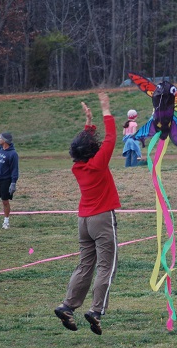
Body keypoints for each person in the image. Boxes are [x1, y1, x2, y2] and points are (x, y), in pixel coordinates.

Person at [55, 93, 121, 336]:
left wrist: (89, 123)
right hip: (102, 219)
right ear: (91, 150)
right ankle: (96, 311)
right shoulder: (98, 164)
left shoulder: (78, 166)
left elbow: (86, 145)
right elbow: (111, 138)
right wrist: (106, 109)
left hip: (83, 220)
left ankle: (67, 306)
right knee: (107, 266)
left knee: (85, 265)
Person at [0, 132, 19, 230]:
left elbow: (15, 169)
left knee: (5, 201)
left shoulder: (13, 154)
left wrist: (13, 183)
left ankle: (6, 221)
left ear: (5, 141)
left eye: (0, 138)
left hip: (5, 181)